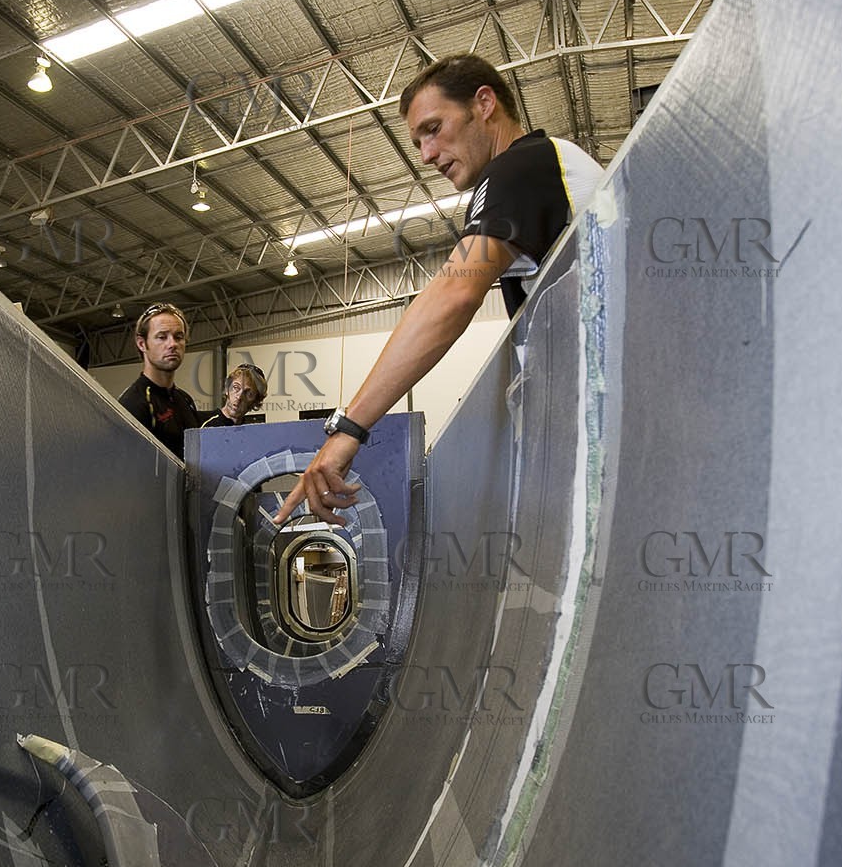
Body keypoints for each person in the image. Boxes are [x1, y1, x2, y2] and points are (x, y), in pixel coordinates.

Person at [273, 53, 604, 526]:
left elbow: (453, 295)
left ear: (484, 104)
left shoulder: (520, 166)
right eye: (417, 141)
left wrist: (349, 428)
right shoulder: (545, 171)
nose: (426, 154)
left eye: (433, 128)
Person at [118, 302, 199, 459]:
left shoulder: (185, 400)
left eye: (178, 337)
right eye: (162, 337)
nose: (172, 344)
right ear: (142, 344)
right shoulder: (134, 404)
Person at [201, 363, 268, 428]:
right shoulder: (201, 422)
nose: (239, 397)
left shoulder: (252, 432)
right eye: (236, 387)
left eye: (248, 393)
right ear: (227, 389)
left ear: (255, 401)